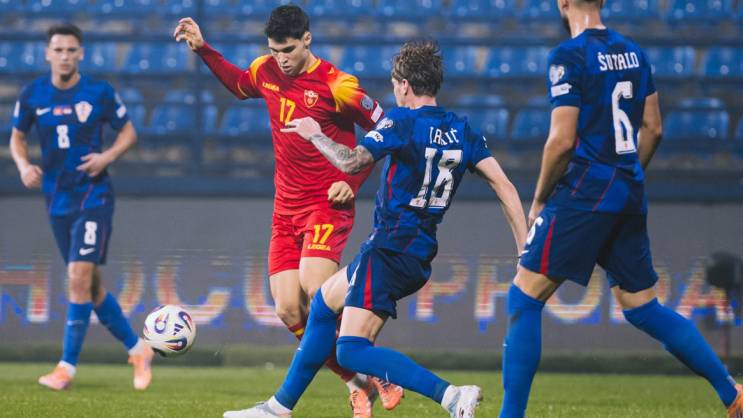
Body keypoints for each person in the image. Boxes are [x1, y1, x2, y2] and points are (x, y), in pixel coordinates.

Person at [223, 40, 528, 418]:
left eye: (395, 85)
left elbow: (351, 163)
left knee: (352, 350)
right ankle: (278, 407)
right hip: (415, 250)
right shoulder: (462, 130)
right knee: (322, 305)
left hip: (390, 248)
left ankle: (451, 395)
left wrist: (314, 133)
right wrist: (523, 252)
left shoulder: (402, 122)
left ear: (404, 85)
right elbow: (505, 187)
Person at [498, 0, 743, 416]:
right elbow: (654, 128)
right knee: (643, 306)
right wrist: (626, 175)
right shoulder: (634, 52)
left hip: (584, 192)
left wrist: (539, 199)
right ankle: (732, 395)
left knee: (524, 298)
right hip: (627, 190)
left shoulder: (568, 56)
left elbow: (561, 141)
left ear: (563, 3)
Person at [173, 5, 402, 415]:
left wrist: (351, 182)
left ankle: (377, 367)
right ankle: (357, 382)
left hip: (326, 204)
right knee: (287, 309)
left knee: (317, 289)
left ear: (307, 39)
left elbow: (385, 128)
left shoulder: (338, 85)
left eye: (289, 50)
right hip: (285, 208)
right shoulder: (266, 70)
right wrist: (204, 50)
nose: (281, 59)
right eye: (274, 50)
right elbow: (239, 84)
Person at [9, 23, 153, 391]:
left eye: (71, 50)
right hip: (57, 199)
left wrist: (107, 157)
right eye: (58, 50)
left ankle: (66, 368)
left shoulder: (98, 92)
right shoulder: (33, 93)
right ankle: (138, 349)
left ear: (81, 54)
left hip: (93, 195)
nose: (65, 56)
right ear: (47, 54)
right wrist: (23, 166)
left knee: (77, 277)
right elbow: (17, 138)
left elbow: (129, 132)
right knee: (91, 286)